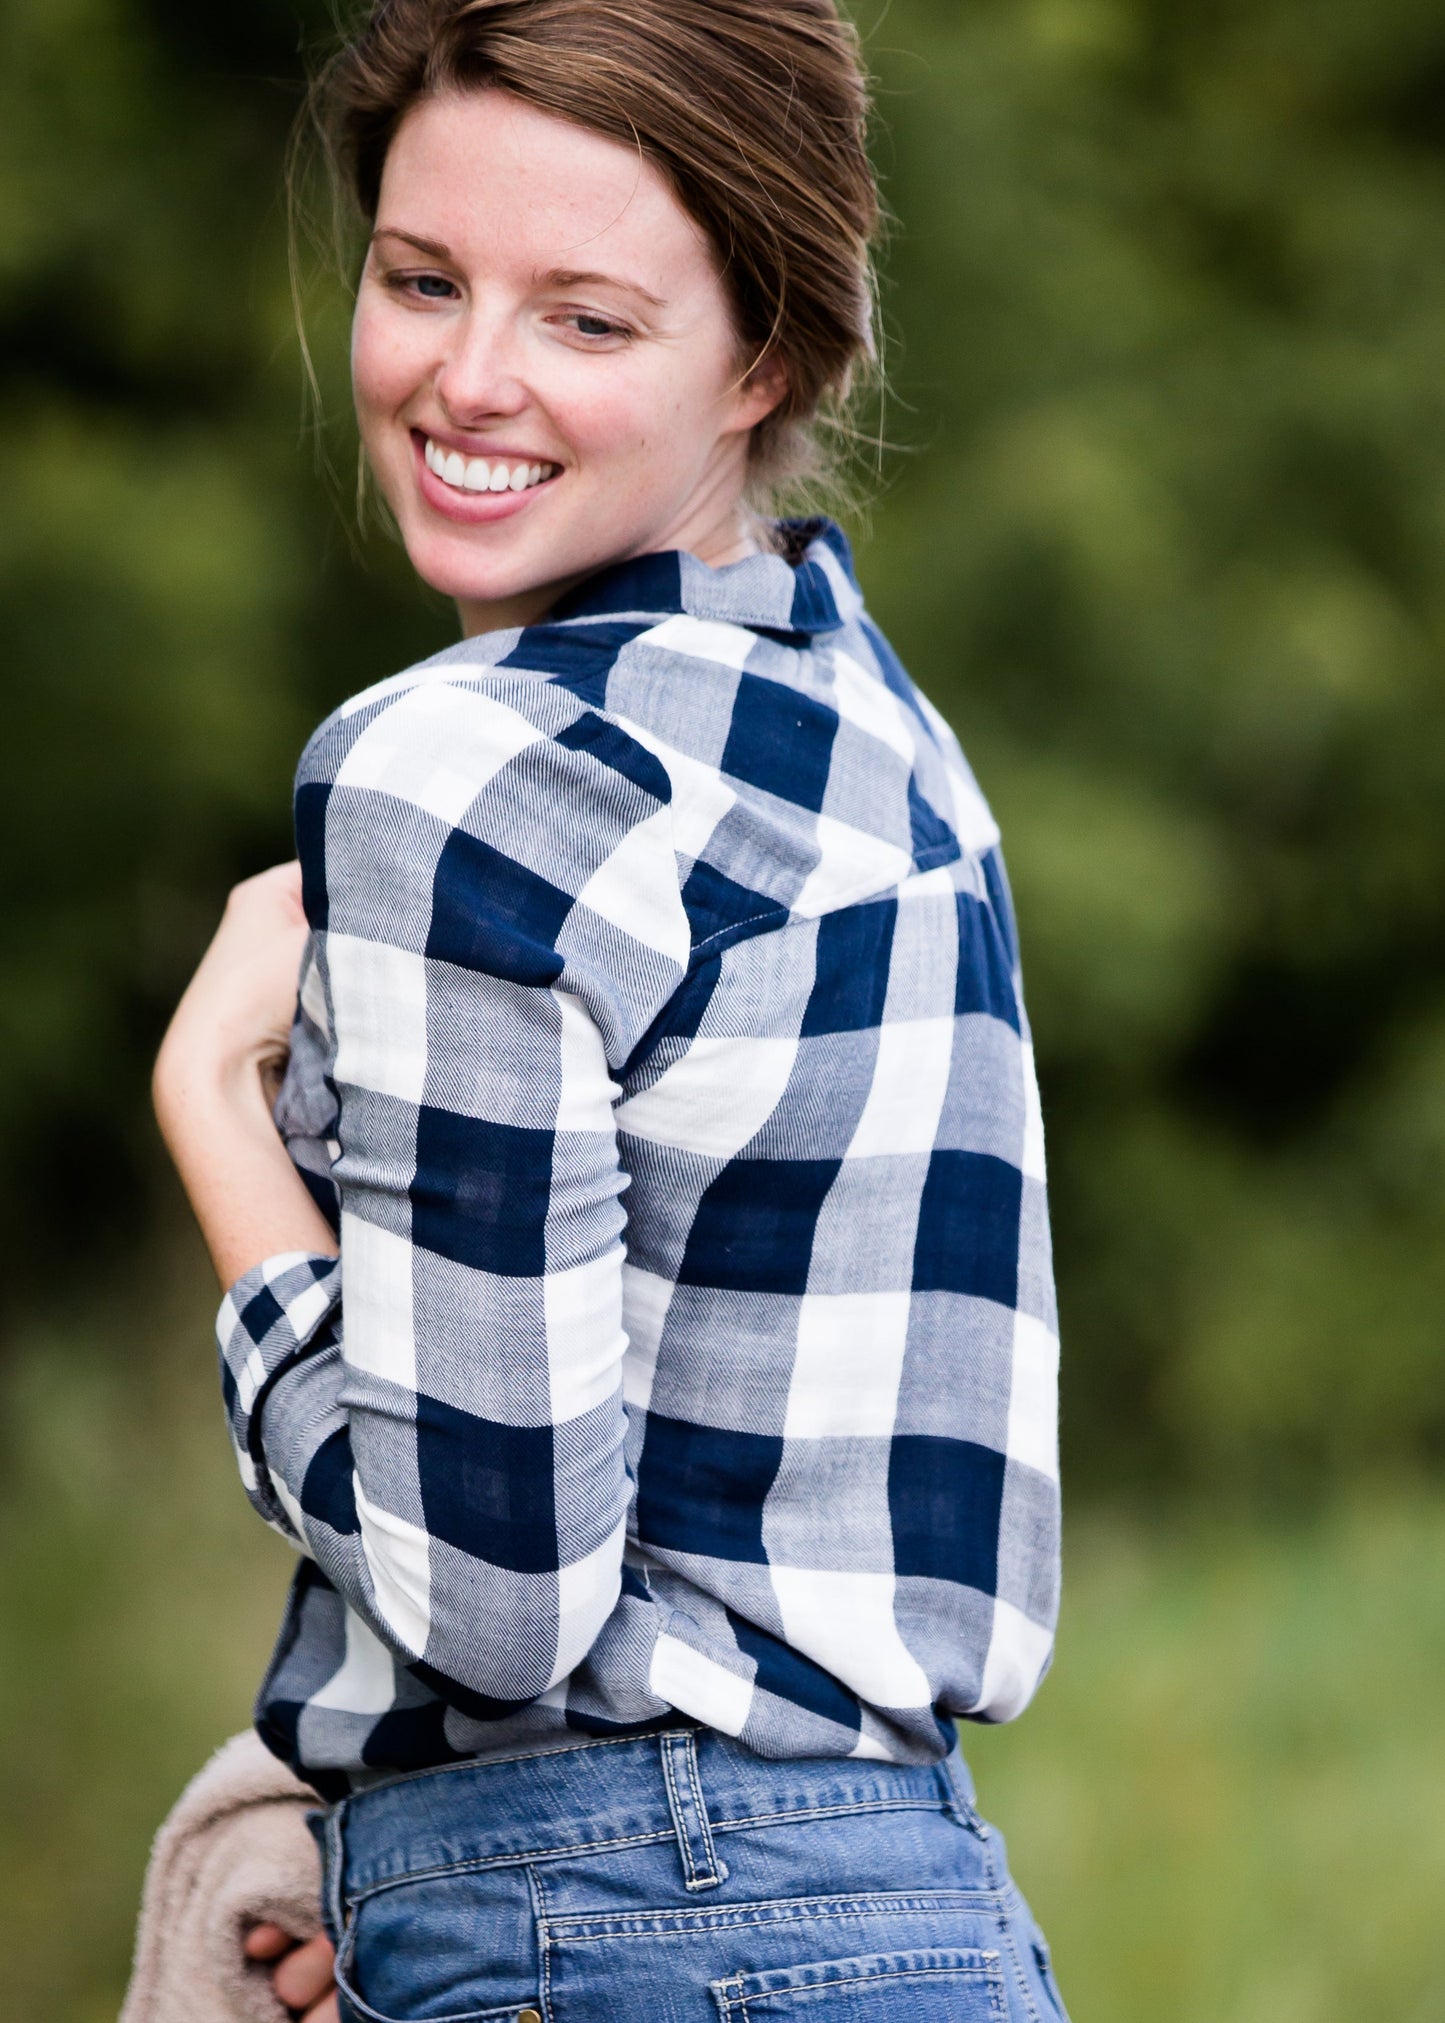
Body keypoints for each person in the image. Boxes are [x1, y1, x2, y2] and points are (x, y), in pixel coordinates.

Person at [152, 2, 1067, 2017]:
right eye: (420, 280)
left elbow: (488, 1602)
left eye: (584, 318)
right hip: (924, 1918)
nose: (467, 377)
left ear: (768, 354)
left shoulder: (457, 773)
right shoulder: (886, 747)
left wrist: (216, 1117)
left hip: (626, 1923)